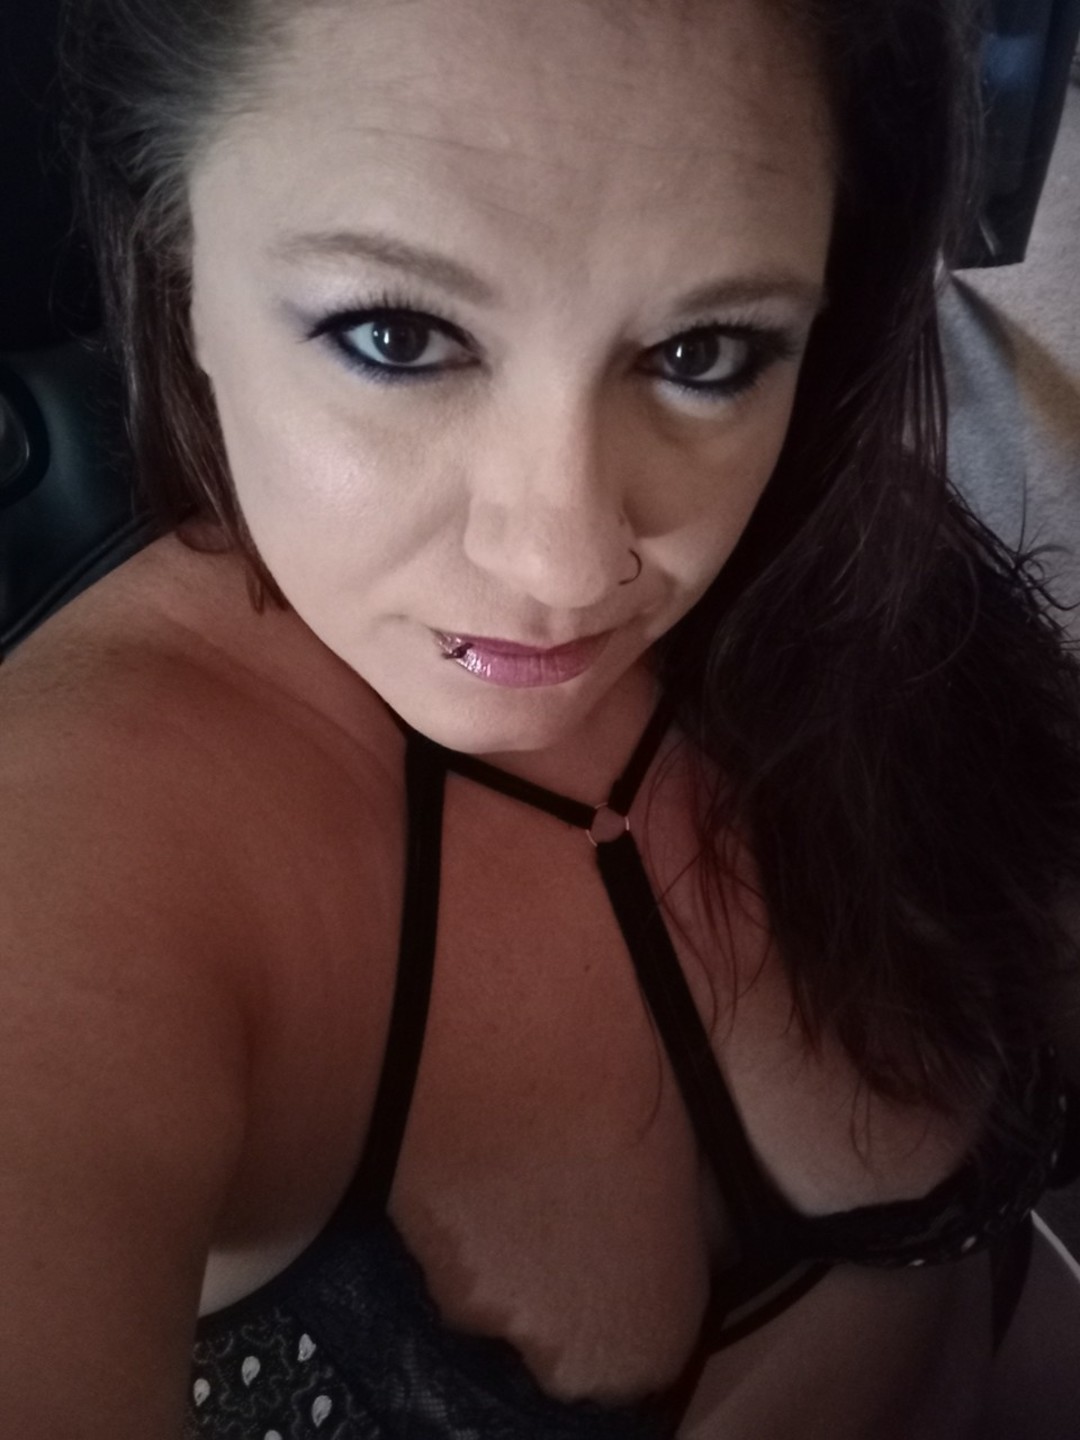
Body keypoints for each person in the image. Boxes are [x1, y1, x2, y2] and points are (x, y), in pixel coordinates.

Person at [3, 0, 1079, 1434]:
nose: (568, 568)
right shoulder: (75, 865)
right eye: (396, 335)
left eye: (705, 353)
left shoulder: (859, 562)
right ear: (177, 260)